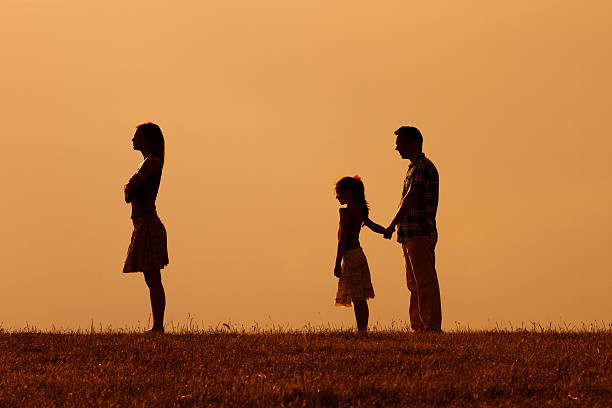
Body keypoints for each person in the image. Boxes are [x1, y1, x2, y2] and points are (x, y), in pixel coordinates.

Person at [384, 126, 442, 333]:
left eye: (400, 143)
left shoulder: (421, 167)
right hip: (410, 234)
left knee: (424, 282)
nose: (397, 148)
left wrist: (392, 224)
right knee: (414, 285)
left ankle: (431, 327)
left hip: (420, 233)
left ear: (412, 142)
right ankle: (419, 326)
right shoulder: (413, 168)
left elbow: (412, 198)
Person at [123, 122, 169, 333]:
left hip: (148, 224)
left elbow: (131, 187)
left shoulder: (151, 162)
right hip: (142, 224)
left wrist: (129, 187)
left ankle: (158, 326)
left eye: (138, 136)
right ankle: (157, 325)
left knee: (153, 277)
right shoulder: (148, 163)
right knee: (150, 278)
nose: (134, 140)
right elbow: (128, 193)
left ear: (148, 139)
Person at [333, 176, 385, 333]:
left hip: (351, 256)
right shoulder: (360, 211)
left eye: (339, 193)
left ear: (348, 192)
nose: (337, 196)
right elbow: (373, 225)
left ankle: (361, 330)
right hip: (360, 255)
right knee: (361, 297)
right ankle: (363, 329)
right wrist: (387, 230)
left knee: (357, 297)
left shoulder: (346, 212)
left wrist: (337, 263)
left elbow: (343, 239)